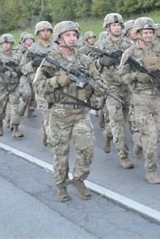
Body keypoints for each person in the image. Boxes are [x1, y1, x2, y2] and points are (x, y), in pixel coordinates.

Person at [33, 21, 98, 202]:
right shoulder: (51, 60)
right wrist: (57, 81)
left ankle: (78, 178)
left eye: (75, 35)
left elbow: (98, 83)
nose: (72, 38)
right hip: (59, 114)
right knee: (61, 154)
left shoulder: (85, 60)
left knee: (87, 148)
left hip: (80, 113)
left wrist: (96, 97)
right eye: (68, 35)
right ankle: (61, 185)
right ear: (60, 38)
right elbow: (38, 86)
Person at [119, 17, 160, 184]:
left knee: (159, 133)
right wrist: (138, 75)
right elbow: (121, 75)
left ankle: (138, 141)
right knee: (150, 137)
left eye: (151, 32)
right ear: (138, 34)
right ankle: (151, 171)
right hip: (140, 98)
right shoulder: (130, 53)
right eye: (145, 32)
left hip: (157, 97)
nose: (149, 35)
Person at [96, 13, 134, 169]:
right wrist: (101, 61)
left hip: (127, 85)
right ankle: (123, 155)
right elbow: (90, 64)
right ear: (108, 27)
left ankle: (107, 134)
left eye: (119, 25)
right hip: (111, 86)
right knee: (117, 121)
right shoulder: (102, 45)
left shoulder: (128, 43)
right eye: (113, 25)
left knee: (124, 117)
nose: (117, 27)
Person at [20, 21, 58, 145]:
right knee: (47, 113)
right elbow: (23, 67)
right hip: (41, 86)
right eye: (43, 31)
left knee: (56, 113)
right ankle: (50, 136)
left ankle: (47, 131)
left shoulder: (57, 47)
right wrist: (32, 65)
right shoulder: (32, 49)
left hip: (56, 84)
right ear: (38, 33)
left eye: (48, 30)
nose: (45, 33)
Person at [0, 34, 23, 138]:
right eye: (4, 43)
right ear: (1, 44)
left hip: (14, 86)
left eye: (8, 43)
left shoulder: (17, 56)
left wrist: (18, 71)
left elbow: (22, 68)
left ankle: (15, 128)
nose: (6, 45)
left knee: (15, 107)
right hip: (1, 86)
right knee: (0, 108)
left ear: (12, 44)